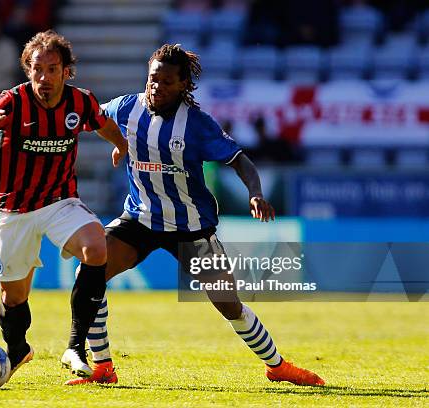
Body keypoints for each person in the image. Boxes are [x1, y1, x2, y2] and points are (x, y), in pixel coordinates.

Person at [64, 44, 325, 387]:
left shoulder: (197, 125)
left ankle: (277, 366)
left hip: (191, 229)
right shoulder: (126, 107)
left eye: (168, 81)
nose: (157, 86)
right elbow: (90, 117)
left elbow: (239, 160)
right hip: (140, 220)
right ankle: (102, 367)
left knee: (229, 305)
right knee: (91, 274)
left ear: (184, 84)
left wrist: (256, 192)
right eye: (153, 78)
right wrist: (117, 141)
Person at [0, 30, 128, 384]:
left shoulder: (80, 103)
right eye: (37, 70)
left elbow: (105, 124)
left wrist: (122, 146)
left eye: (52, 69)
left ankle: (75, 346)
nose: (44, 78)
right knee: (13, 298)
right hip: (15, 210)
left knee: (96, 247)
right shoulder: (10, 102)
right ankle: (18, 349)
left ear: (66, 71)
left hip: (60, 201)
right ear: (27, 70)